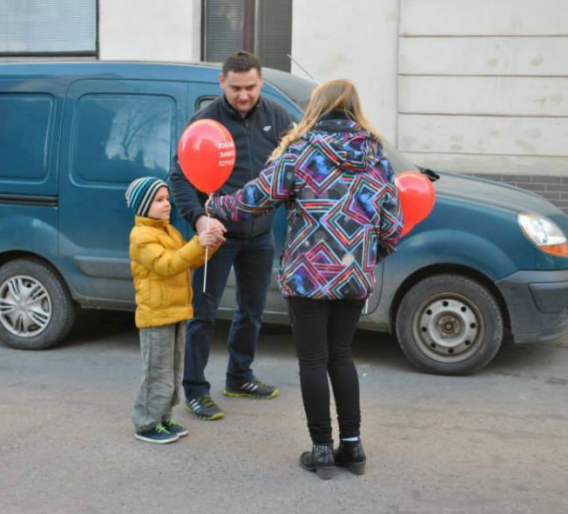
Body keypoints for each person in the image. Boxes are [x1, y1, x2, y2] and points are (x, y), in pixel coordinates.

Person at [207, 79, 403, 478]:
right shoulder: (376, 157)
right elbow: (393, 225)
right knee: (342, 356)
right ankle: (354, 449)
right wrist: (364, 258)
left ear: (317, 108)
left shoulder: (302, 152)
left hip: (307, 276)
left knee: (313, 359)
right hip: (352, 276)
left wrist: (215, 202)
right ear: (355, 109)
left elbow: (254, 200)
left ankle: (321, 451)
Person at [170, 51, 293, 420]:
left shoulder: (278, 117)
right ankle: (194, 389)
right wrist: (198, 220)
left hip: (260, 234)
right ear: (221, 82)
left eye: (251, 87)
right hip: (215, 235)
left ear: (261, 83)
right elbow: (180, 177)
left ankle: (239, 377)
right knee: (202, 314)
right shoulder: (204, 122)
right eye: (236, 87)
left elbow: (291, 170)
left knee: (251, 311)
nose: (243, 95)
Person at [126, 177, 224, 444]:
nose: (167, 204)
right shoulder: (142, 237)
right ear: (143, 205)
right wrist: (197, 243)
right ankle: (146, 424)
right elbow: (167, 264)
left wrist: (210, 245)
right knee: (157, 373)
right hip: (156, 315)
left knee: (172, 371)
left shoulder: (169, 231)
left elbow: (186, 261)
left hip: (177, 311)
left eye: (167, 198)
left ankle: (163, 417)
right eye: (159, 200)